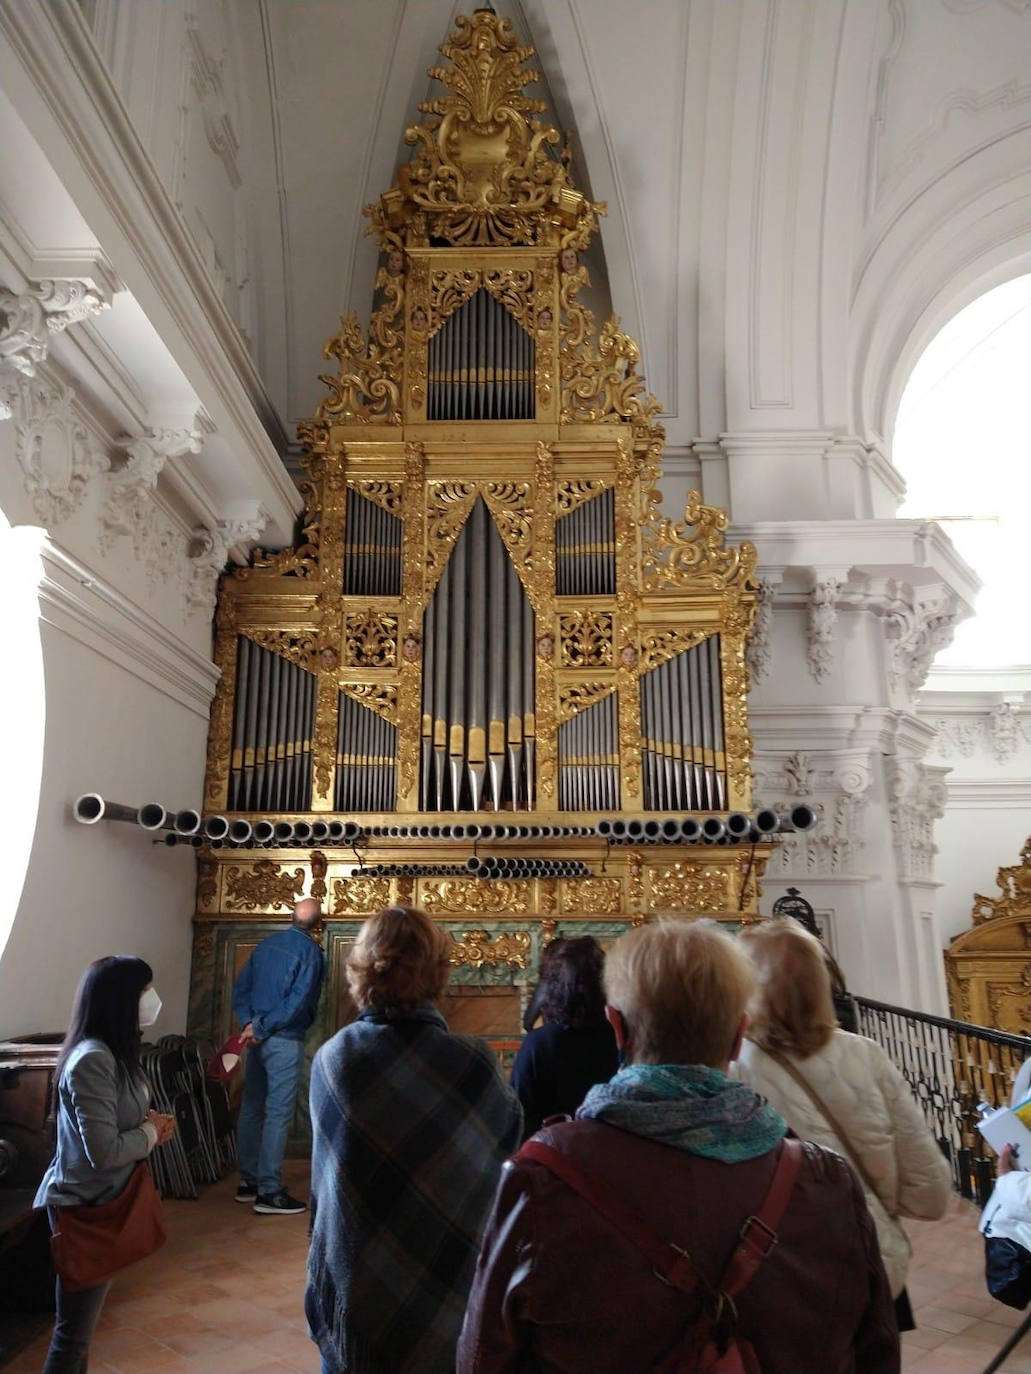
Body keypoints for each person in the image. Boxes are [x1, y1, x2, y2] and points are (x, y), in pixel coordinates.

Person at [458, 920, 898, 1373]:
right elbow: (876, 1351)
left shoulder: (543, 1177)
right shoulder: (827, 1180)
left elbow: (484, 1357)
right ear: (737, 1035)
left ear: (618, 1029)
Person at [307, 904, 522, 1374]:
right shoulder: (474, 1063)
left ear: (361, 969)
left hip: (356, 1295)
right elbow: (508, 1152)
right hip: (449, 1293)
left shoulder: (333, 1060)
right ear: (438, 971)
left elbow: (326, 1196)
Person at [733, 917, 951, 1333]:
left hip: (780, 1280)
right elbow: (931, 1194)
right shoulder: (865, 1055)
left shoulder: (732, 1068)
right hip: (871, 1266)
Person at [34, 955, 175, 1373]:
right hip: (84, 1204)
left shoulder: (113, 1050)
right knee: (71, 1337)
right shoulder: (92, 1058)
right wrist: (152, 1134)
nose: (152, 998)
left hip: (106, 1198)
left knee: (79, 1335)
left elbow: (114, 1120)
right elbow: (104, 1151)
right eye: (144, 990)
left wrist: (148, 1122)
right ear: (121, 1000)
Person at [232, 896, 325, 1214]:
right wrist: (263, 1027)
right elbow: (298, 1002)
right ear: (318, 924)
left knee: (251, 1107)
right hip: (282, 1038)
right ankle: (269, 1193)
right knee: (278, 1113)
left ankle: (249, 1183)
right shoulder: (312, 952)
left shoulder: (266, 945)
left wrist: (249, 1024)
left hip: (254, 1038)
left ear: (291, 916)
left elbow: (240, 988)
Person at [510, 935, 619, 1139]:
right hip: (609, 1152)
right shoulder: (620, 1036)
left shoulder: (538, 1043)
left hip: (551, 1154)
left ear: (553, 984)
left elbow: (518, 1116)